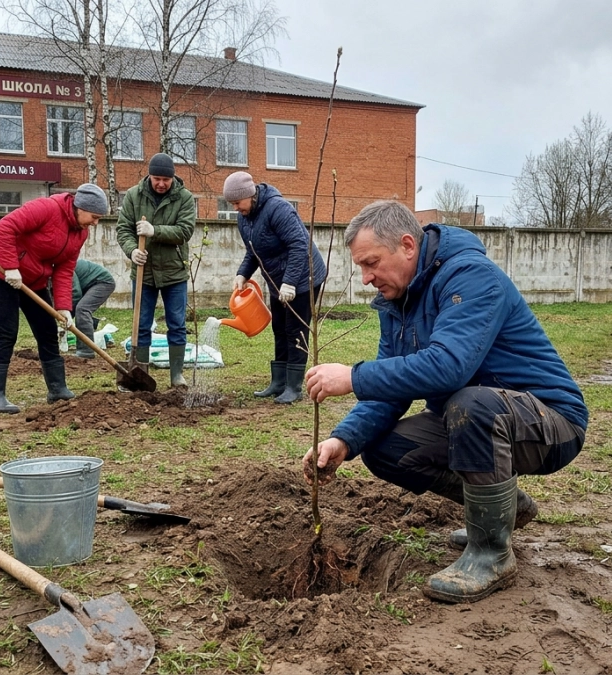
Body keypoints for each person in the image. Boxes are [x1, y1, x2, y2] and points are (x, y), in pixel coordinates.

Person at [300, 200, 588, 604]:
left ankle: (491, 555)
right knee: (384, 450)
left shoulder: (470, 277)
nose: (365, 278)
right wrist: (344, 440)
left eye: (371, 263)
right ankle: (504, 510)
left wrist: (352, 376)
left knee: (470, 403)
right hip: (475, 418)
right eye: (360, 267)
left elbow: (449, 367)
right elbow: (392, 388)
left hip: (550, 421)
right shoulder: (397, 302)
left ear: (407, 245)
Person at [0, 183, 108, 413]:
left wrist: (64, 307)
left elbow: (64, 269)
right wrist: (10, 267)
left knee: (47, 331)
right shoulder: (46, 208)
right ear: (80, 207)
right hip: (2, 274)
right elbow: (5, 226)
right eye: (94, 216)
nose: (95, 223)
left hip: (34, 281)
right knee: (7, 332)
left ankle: (57, 389)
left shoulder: (80, 231)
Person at [223, 171, 327, 404]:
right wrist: (242, 273)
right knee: (279, 327)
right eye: (232, 204)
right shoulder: (245, 217)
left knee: (295, 330)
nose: (235, 208)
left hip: (303, 277)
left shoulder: (278, 209)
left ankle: (294, 386)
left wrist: (290, 282)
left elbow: (299, 246)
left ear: (249, 195)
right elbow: (253, 251)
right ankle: (278, 382)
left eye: (237, 202)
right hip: (276, 279)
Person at [116, 152, 196, 388]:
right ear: (149, 176)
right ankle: (140, 373)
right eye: (156, 179)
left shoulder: (184, 198)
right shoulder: (133, 195)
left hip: (174, 273)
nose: (161, 184)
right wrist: (132, 251)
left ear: (173, 178)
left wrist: (155, 230)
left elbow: (184, 231)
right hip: (144, 272)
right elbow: (123, 230)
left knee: (177, 324)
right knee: (141, 325)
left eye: (165, 180)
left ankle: (176, 376)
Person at [70, 259, 117, 359]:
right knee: (80, 310)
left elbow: (75, 293)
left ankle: (86, 352)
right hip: (86, 284)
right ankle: (92, 324)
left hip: (102, 282)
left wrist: (67, 315)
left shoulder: (61, 266)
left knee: (82, 309)